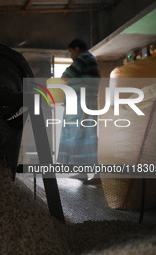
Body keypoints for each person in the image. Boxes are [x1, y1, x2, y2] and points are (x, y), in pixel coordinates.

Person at [57, 39, 100, 182]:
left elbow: (66, 75)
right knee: (83, 137)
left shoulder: (84, 58)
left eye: (70, 52)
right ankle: (83, 172)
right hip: (84, 102)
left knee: (82, 136)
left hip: (83, 103)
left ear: (76, 49)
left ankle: (95, 174)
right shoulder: (89, 59)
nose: (71, 56)